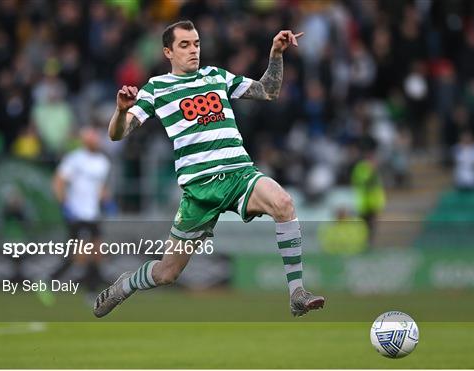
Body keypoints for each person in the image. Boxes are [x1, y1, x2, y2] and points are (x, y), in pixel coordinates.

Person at [93, 20, 325, 318]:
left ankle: (296, 293)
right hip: (199, 190)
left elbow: (267, 91)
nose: (193, 50)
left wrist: (276, 53)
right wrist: (121, 110)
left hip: (239, 174)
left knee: (284, 203)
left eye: (197, 44)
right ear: (168, 52)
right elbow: (117, 134)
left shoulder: (216, 76)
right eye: (185, 45)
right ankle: (126, 285)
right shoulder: (156, 88)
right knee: (166, 273)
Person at [50, 126, 111, 303]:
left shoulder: (102, 162)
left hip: (93, 213)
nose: (95, 140)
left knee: (96, 253)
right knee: (78, 256)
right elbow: (58, 182)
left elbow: (100, 188)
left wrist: (107, 200)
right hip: (77, 213)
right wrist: (64, 205)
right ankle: (50, 281)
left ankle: (91, 292)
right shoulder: (75, 159)